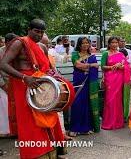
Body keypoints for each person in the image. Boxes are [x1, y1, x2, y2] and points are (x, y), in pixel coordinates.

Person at [0, 19, 65, 158]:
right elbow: (3, 64)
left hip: (42, 86)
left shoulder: (42, 47)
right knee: (30, 122)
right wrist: (24, 78)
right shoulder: (19, 43)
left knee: (48, 116)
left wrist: (55, 79)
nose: (39, 34)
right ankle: (35, 154)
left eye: (42, 32)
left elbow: (48, 68)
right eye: (36, 31)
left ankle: (52, 151)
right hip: (23, 85)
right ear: (29, 29)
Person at [68, 37, 100, 137]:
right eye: (83, 43)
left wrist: (89, 65)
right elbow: (78, 65)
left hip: (88, 84)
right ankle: (75, 128)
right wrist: (91, 65)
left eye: (87, 43)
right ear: (79, 44)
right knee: (77, 104)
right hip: (79, 83)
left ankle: (86, 128)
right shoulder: (75, 54)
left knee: (87, 104)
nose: (85, 45)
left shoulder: (91, 56)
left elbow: (96, 66)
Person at [101, 37, 130, 130]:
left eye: (116, 42)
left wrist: (121, 66)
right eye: (112, 42)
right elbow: (102, 67)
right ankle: (109, 122)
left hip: (119, 79)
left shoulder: (121, 54)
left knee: (118, 99)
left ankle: (118, 122)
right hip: (110, 78)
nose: (114, 44)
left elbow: (126, 66)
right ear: (109, 44)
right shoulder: (105, 54)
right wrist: (113, 66)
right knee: (110, 99)